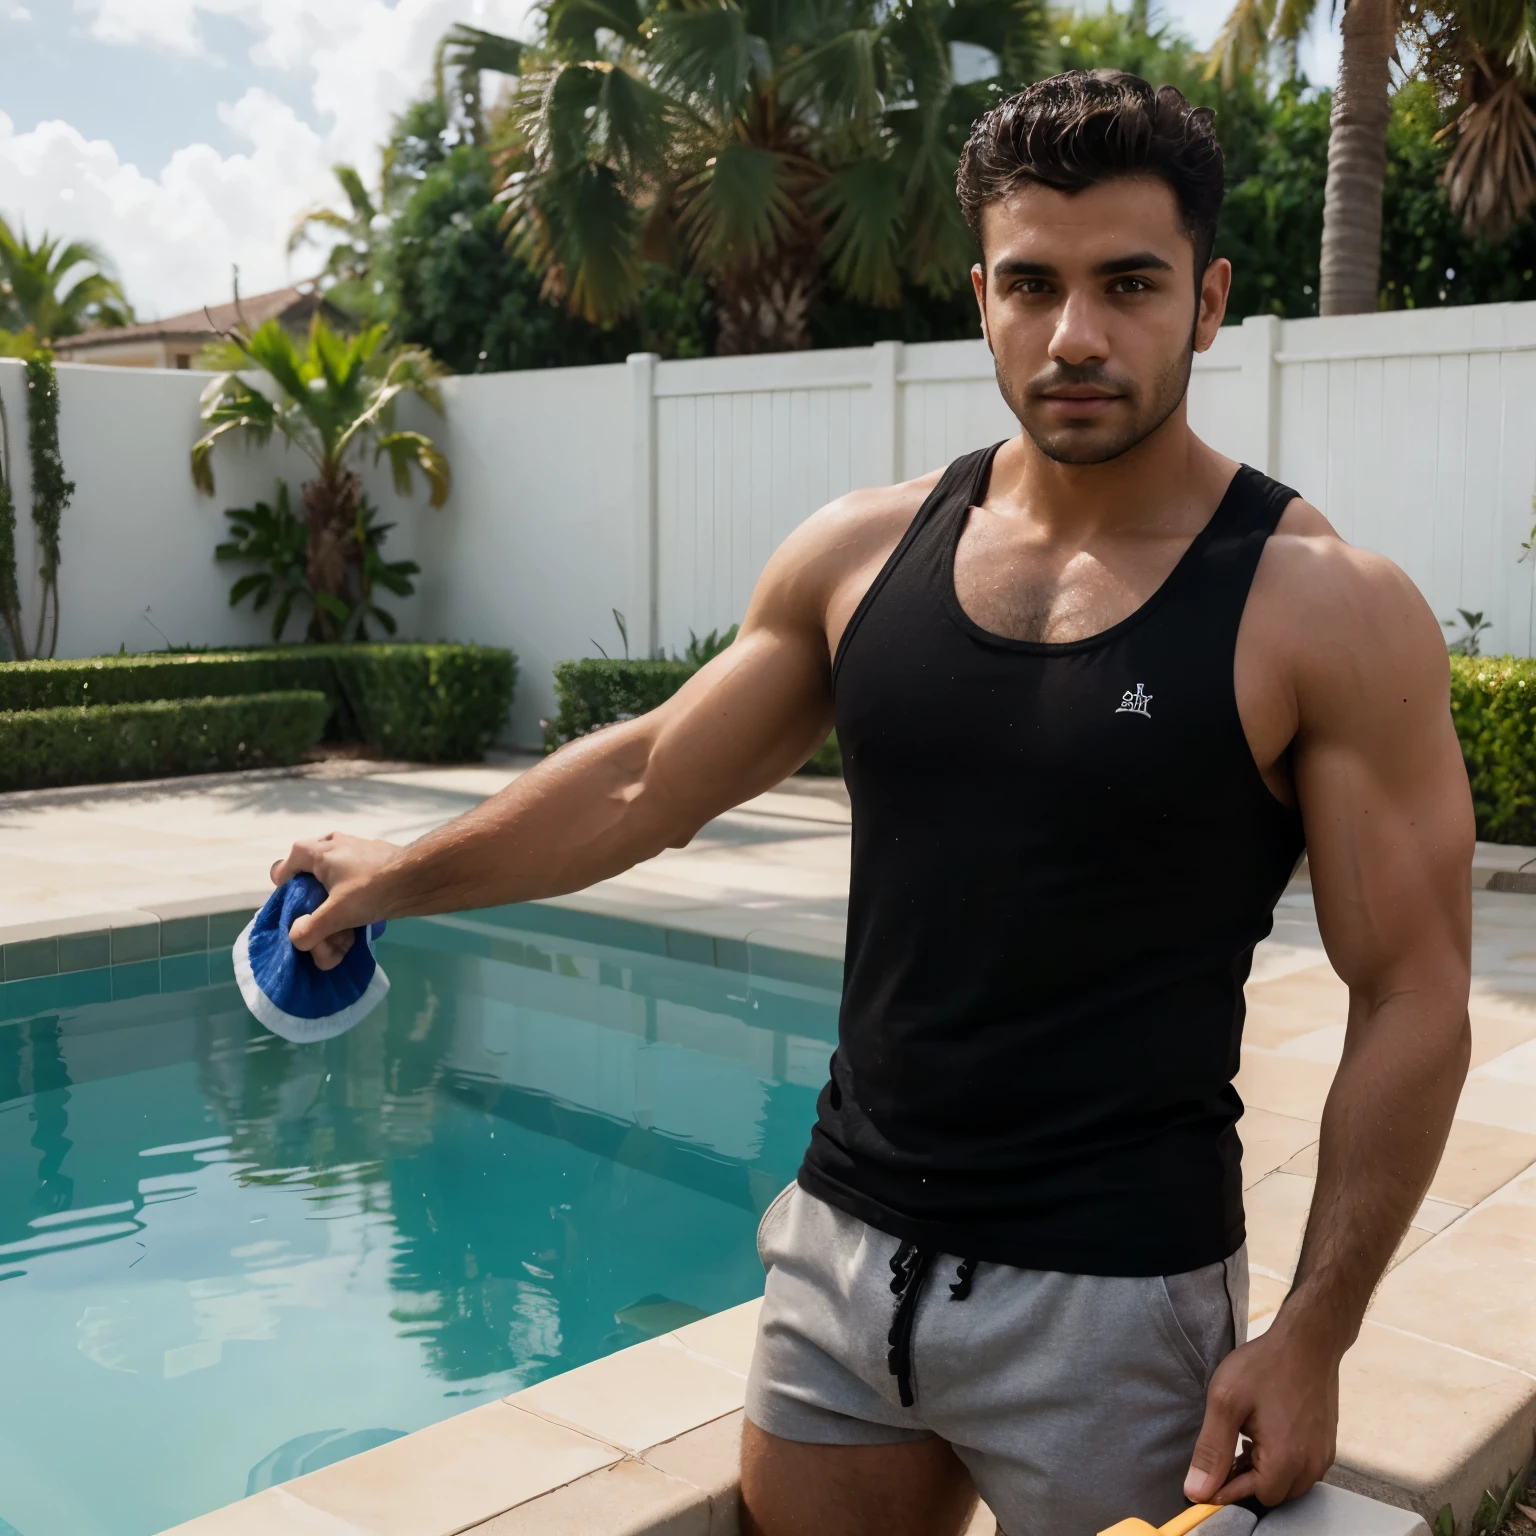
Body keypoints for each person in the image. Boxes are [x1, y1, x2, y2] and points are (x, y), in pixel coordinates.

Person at [270, 70, 1473, 1536]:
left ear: (1209, 300)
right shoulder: (860, 554)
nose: (1076, 334)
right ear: (982, 295)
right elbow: (652, 774)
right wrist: (398, 871)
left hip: (1116, 1303)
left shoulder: (1319, 606)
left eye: (1130, 284)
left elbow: (1413, 992)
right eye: (1032, 284)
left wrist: (1316, 1335)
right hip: (846, 1263)